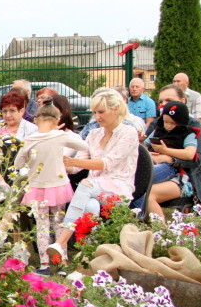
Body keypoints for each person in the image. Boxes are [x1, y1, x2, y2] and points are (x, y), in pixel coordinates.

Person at [47, 89, 139, 265]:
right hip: (93, 189)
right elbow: (76, 165)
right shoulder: (94, 134)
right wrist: (57, 160)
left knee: (87, 183)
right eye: (95, 112)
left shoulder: (129, 133)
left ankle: (61, 241)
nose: (97, 117)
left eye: (101, 112)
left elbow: (107, 163)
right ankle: (88, 255)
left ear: (116, 109)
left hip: (120, 190)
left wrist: (73, 161)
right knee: (90, 205)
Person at [12, 106, 88, 274]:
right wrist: (62, 132)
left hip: (37, 186)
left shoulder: (30, 139)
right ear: (56, 120)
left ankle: (44, 264)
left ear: (36, 120)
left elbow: (17, 164)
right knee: (59, 224)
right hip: (59, 185)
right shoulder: (60, 136)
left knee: (42, 226)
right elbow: (83, 145)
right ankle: (62, 262)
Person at [144, 101, 201, 220]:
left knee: (144, 182)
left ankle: (161, 231)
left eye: (173, 123)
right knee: (139, 185)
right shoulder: (158, 129)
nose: (168, 126)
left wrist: (166, 151)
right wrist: (148, 152)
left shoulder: (189, 133)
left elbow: (190, 154)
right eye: (165, 122)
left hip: (180, 174)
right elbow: (144, 146)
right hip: (156, 164)